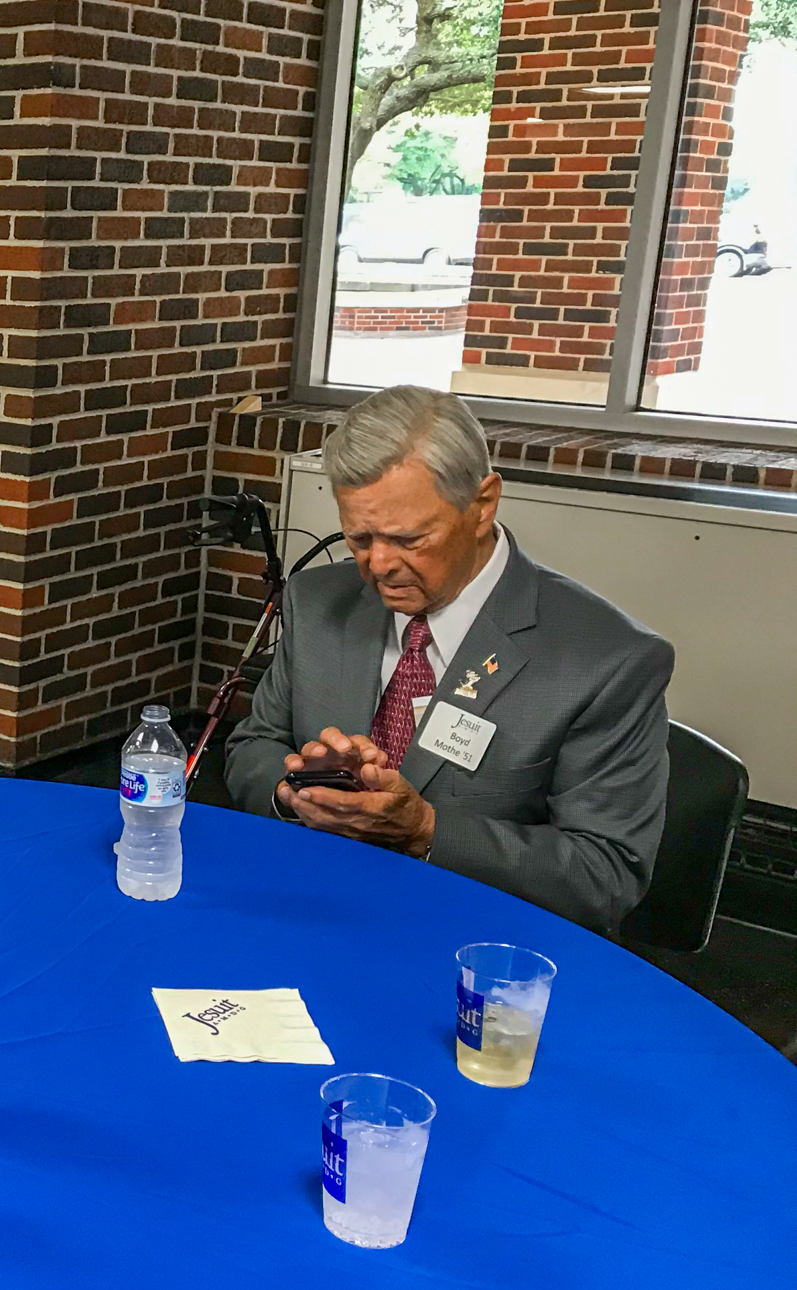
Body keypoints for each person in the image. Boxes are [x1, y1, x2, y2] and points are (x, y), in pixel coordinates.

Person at [222, 385, 673, 932]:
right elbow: (253, 747)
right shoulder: (316, 602)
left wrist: (425, 831)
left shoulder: (607, 660)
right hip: (310, 910)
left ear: (482, 505)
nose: (379, 565)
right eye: (358, 537)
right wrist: (295, 792)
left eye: (409, 539)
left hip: (475, 940)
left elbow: (605, 875)